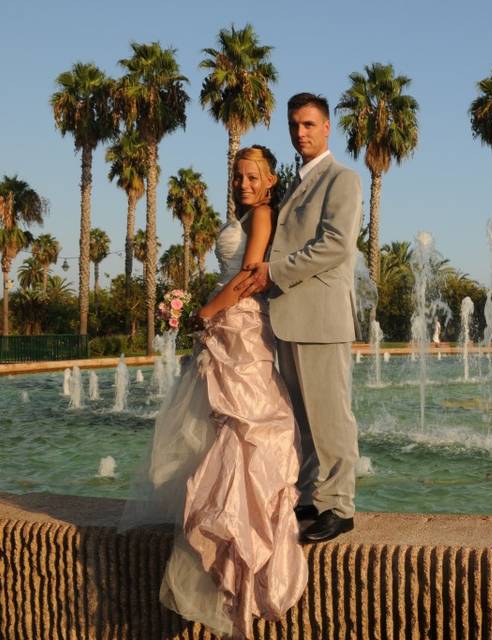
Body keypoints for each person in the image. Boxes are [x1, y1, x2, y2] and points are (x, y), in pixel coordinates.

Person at [121, 146, 307, 639]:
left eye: (253, 176)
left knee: (244, 425)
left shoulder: (263, 214)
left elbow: (248, 277)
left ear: (270, 182)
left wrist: (203, 312)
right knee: (219, 426)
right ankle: (221, 527)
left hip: (240, 326)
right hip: (227, 327)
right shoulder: (248, 214)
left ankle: (236, 540)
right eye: (239, 175)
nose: (244, 183)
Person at [236, 93, 363, 544]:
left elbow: (335, 245)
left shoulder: (342, 180)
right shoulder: (295, 182)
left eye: (309, 125)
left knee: (331, 416)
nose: (300, 133)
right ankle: (312, 494)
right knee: (304, 419)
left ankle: (340, 506)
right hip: (289, 316)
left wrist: (274, 272)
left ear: (327, 128)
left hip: (321, 317)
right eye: (294, 125)